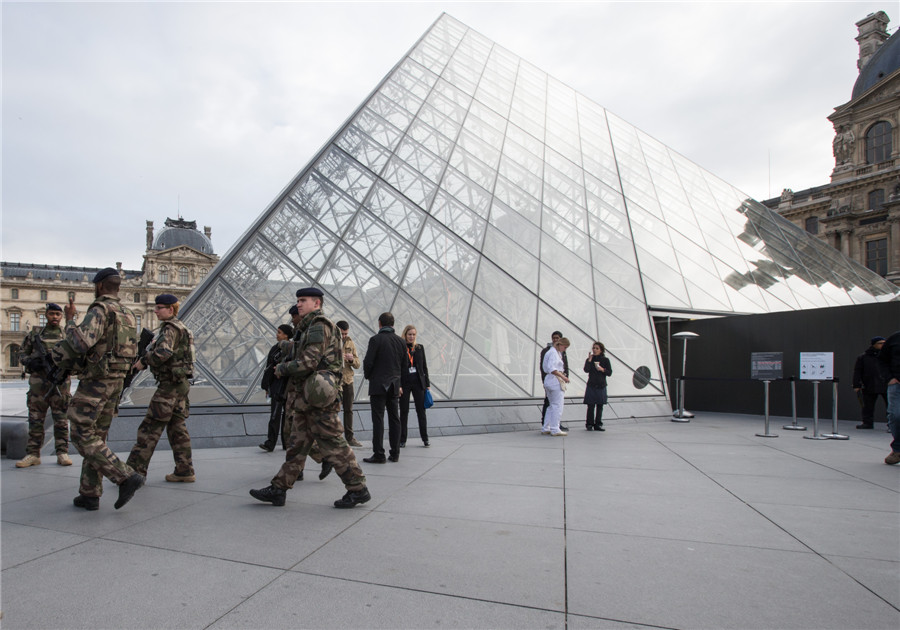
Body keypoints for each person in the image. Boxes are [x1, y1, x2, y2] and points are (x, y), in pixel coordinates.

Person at [250, 287, 370, 508]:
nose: (299, 304)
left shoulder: (318, 325)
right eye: (297, 300)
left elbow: (309, 362)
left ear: (317, 303)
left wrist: (282, 369)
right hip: (309, 398)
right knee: (296, 445)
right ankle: (279, 489)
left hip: (318, 399)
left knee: (335, 443)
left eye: (303, 300)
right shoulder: (308, 327)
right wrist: (289, 346)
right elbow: (306, 351)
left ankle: (358, 488)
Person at [51, 267, 145, 511]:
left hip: (97, 382)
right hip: (116, 382)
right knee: (98, 436)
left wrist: (70, 321)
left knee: (81, 434)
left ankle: (124, 475)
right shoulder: (128, 313)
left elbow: (80, 342)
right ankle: (90, 493)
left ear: (100, 286)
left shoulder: (100, 309)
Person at [125, 294, 196, 483]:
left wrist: (144, 361)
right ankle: (184, 470)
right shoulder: (183, 328)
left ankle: (133, 473)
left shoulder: (170, 329)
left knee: (150, 428)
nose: (155, 311)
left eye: (159, 307)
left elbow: (164, 352)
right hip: (180, 385)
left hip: (169, 387)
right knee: (177, 428)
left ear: (170, 309)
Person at [16, 303, 73, 468]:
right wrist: (30, 362)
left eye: (57, 314)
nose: (54, 317)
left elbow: (76, 358)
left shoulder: (66, 335)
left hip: (60, 384)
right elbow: (22, 353)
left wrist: (66, 368)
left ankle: (62, 452)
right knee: (35, 420)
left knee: (61, 420)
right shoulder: (35, 335)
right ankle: (33, 454)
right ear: (46, 315)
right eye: (51, 314)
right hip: (38, 385)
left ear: (61, 317)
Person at [362, 312, 406, 463]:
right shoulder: (401, 341)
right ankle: (395, 453)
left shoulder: (375, 340)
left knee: (378, 420)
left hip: (378, 385)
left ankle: (379, 454)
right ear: (393, 324)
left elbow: (368, 362)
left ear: (380, 323)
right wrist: (400, 384)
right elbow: (404, 366)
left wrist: (369, 376)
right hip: (394, 385)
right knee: (395, 419)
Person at [259, 324, 294, 451]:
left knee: (286, 416)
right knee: (275, 415)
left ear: (286, 335)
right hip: (277, 386)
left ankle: (285, 443)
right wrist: (267, 386)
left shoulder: (292, 348)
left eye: (279, 332)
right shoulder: (275, 348)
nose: (277, 334)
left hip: (287, 386)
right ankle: (272, 442)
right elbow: (268, 368)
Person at [399, 324, 430, 447]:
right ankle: (402, 439)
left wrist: (427, 384)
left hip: (418, 383)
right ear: (405, 335)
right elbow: (398, 367)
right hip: (405, 383)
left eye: (413, 335)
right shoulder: (401, 348)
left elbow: (424, 367)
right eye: (409, 334)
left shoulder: (419, 348)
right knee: (404, 412)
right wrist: (399, 385)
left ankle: (425, 438)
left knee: (421, 411)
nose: (411, 337)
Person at [336, 320, 363, 447]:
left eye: (346, 333)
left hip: (348, 380)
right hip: (335, 381)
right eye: (342, 333)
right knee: (333, 410)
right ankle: (334, 437)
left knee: (349, 410)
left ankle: (350, 437)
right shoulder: (331, 342)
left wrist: (352, 360)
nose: (344, 336)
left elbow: (358, 364)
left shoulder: (350, 343)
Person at [852, 336, 888, 430]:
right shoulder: (863, 357)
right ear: (873, 344)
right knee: (867, 406)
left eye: (884, 343)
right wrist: (856, 385)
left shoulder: (888, 355)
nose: (883, 345)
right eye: (880, 343)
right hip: (869, 384)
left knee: (891, 406)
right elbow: (857, 371)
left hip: (886, 384)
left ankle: (891, 425)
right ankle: (867, 423)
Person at [540, 331, 569, 432]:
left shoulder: (551, 352)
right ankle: (555, 427)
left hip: (549, 380)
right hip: (554, 380)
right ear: (561, 345)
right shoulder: (554, 353)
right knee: (557, 405)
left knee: (551, 405)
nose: (564, 350)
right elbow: (552, 369)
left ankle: (546, 427)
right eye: (565, 347)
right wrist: (564, 377)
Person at [879, 330, 900, 465]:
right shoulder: (894, 339)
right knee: (895, 415)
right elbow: (882, 360)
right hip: (896, 384)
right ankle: (898, 448)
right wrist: (889, 378)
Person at [583, 341, 612, 431]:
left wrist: (602, 369)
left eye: (597, 348)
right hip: (591, 384)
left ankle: (598, 424)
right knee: (590, 405)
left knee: (600, 405)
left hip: (601, 385)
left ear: (601, 350)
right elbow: (586, 370)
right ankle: (589, 424)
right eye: (594, 348)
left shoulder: (605, 360)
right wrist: (589, 360)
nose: (595, 350)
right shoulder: (590, 360)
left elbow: (609, 372)